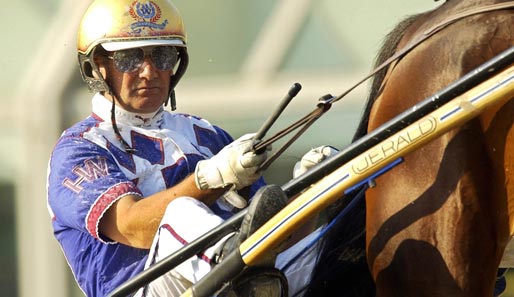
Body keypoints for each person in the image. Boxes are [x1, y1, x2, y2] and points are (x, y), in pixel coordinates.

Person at [47, 1, 334, 296]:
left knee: (333, 247)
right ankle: (235, 272)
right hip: (143, 289)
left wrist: (310, 195)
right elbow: (134, 226)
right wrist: (208, 180)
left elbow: (273, 239)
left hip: (250, 278)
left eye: (162, 55)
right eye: (129, 58)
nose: (149, 71)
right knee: (181, 211)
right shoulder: (79, 149)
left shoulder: (208, 134)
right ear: (97, 66)